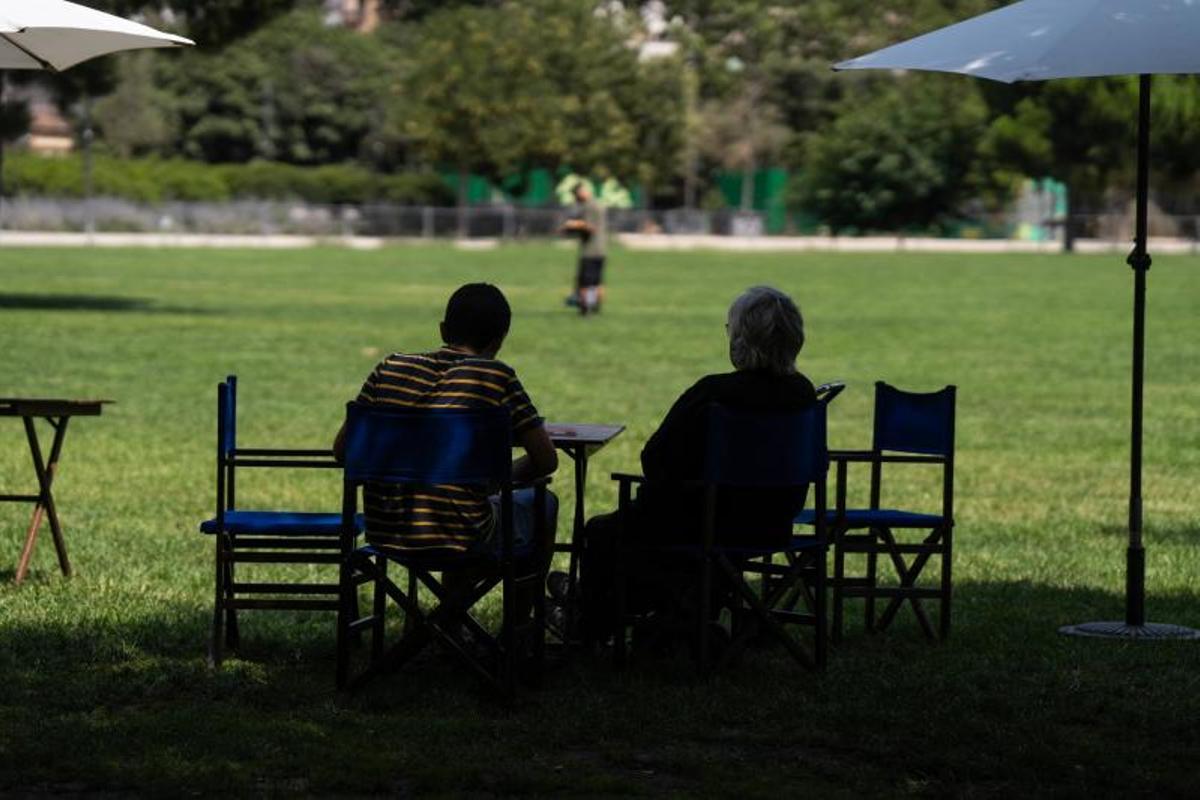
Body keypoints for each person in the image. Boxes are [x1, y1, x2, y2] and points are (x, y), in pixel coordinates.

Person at [570, 285, 817, 643]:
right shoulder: (803, 394)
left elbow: (655, 458)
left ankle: (593, 625)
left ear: (740, 340)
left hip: (702, 524)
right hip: (773, 521)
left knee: (602, 531)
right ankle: (675, 615)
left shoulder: (714, 393)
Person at [334, 283, 559, 615]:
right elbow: (546, 460)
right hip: (465, 534)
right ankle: (518, 635)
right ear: (498, 342)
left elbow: (342, 451)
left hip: (386, 533)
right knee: (543, 503)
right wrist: (498, 478)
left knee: (459, 505)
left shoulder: (388, 368)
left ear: (443, 329)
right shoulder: (495, 377)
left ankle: (449, 631)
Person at [559, 181, 608, 315]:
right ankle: (596, 307)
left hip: (590, 251)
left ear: (580, 193)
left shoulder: (589, 206)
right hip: (601, 250)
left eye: (576, 195)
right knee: (597, 282)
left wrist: (572, 225)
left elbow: (590, 227)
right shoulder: (599, 204)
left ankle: (585, 309)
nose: (576, 199)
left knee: (585, 283)